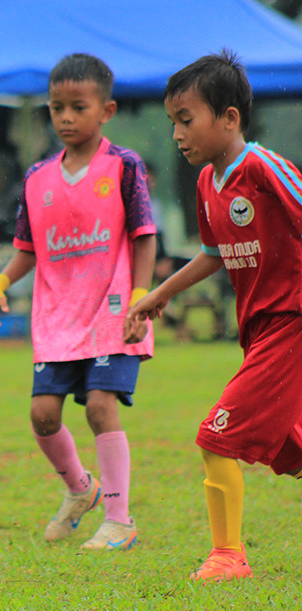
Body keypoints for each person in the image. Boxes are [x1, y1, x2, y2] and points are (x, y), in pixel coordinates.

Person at [128, 50, 302, 582]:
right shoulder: (208, 182)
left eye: (186, 119)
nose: (177, 134)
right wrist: (159, 295)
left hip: (292, 322)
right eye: (172, 122)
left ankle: (228, 557)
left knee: (216, 437)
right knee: (289, 448)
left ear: (229, 117)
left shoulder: (264, 169)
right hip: (259, 331)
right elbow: (214, 253)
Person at [0, 53, 156, 550]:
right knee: (42, 415)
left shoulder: (123, 166)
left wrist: (140, 298)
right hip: (56, 318)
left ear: (107, 111)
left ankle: (119, 520)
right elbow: (27, 249)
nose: (66, 118)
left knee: (100, 407)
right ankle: (81, 488)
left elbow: (144, 236)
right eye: (57, 108)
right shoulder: (37, 177)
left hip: (112, 311)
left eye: (79, 107)